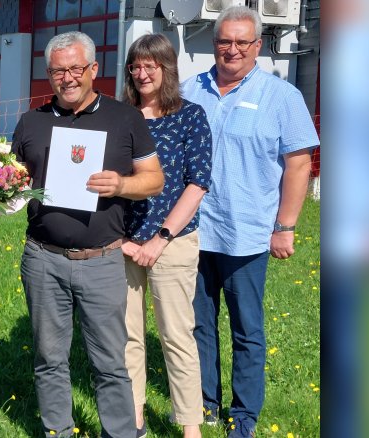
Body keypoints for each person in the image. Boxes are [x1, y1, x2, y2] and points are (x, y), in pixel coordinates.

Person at [11, 31, 164, 438]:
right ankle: (58, 430)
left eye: (76, 68)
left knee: (111, 360)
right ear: (49, 74)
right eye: (59, 70)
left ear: (94, 69)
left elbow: (154, 180)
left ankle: (121, 433)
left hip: (102, 260)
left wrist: (121, 185)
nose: (68, 78)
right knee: (49, 357)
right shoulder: (31, 122)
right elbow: (11, 184)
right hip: (44, 258)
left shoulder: (124, 118)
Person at [180, 6, 319, 438]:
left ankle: (243, 415)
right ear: (214, 43)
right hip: (194, 231)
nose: (233, 49)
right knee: (198, 325)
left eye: (243, 42)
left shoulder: (283, 97)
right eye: (225, 41)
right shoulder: (190, 89)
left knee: (247, 329)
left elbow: (298, 164)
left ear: (258, 46)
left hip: (248, 233)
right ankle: (203, 403)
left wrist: (286, 225)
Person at [121, 33, 212, 438]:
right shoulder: (119, 118)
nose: (142, 73)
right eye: (135, 66)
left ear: (166, 68)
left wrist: (160, 238)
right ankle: (134, 419)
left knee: (177, 337)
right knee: (127, 337)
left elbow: (197, 184)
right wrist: (122, 241)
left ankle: (191, 427)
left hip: (172, 242)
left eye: (150, 66)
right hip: (122, 244)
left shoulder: (190, 116)